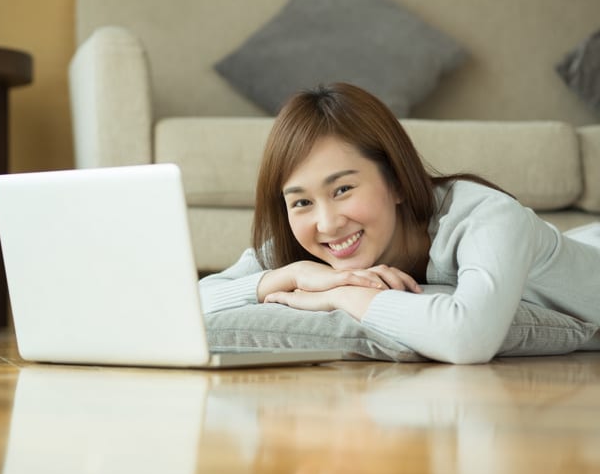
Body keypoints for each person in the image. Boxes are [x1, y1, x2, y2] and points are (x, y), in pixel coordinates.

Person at [199, 83, 600, 364]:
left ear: (396, 181)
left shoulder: (488, 217)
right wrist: (290, 275)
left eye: (342, 190)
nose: (327, 223)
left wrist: (343, 296)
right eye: (301, 201)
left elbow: (468, 338)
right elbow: (184, 304)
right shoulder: (304, 243)